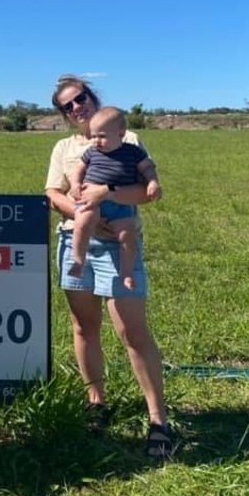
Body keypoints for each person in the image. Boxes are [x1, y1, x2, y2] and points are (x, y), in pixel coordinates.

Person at [44, 75, 175, 458]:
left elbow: (149, 191)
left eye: (80, 98)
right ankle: (96, 402)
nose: (76, 107)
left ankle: (158, 420)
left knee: (132, 331)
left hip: (120, 245)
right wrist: (83, 211)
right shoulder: (64, 148)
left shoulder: (128, 139)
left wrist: (108, 195)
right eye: (67, 106)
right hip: (76, 240)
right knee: (84, 326)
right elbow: (53, 193)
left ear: (92, 97)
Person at [67, 106, 162, 288]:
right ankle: (78, 261)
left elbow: (148, 168)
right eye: (93, 136)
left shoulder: (133, 151)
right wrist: (75, 184)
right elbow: (78, 168)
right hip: (90, 200)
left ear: (121, 133)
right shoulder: (92, 152)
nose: (96, 141)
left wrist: (152, 182)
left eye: (102, 136)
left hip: (120, 203)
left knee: (128, 236)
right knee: (82, 222)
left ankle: (126, 274)